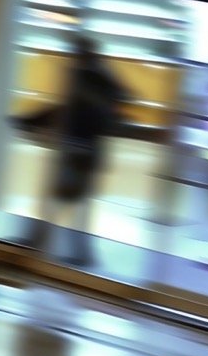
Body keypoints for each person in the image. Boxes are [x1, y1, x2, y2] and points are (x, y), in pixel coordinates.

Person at [17, 36, 130, 267]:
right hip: (86, 149)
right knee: (70, 202)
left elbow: (67, 109)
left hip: (78, 148)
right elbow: (119, 101)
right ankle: (57, 247)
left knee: (61, 200)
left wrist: (29, 121)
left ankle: (54, 247)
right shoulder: (102, 75)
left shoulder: (87, 77)